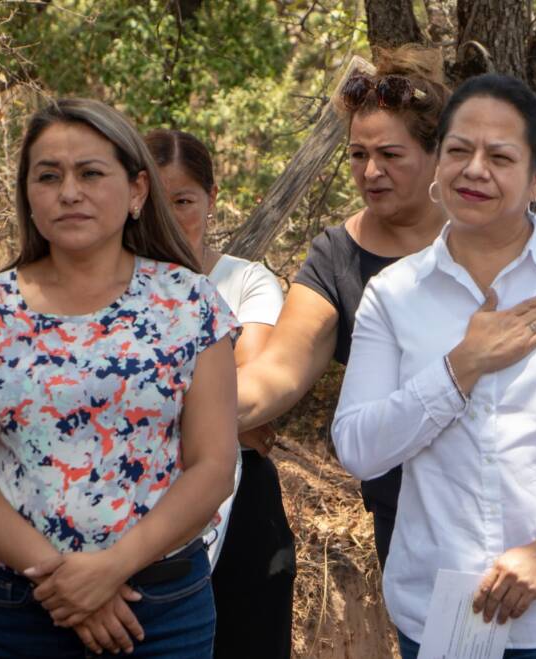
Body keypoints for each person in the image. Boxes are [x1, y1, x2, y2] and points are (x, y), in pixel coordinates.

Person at [332, 73, 536, 658]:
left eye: (500, 156)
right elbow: (359, 447)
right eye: (459, 150)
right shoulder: (394, 294)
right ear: (438, 163)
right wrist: (462, 365)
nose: (474, 169)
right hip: (444, 611)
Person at [0, 98, 239, 658]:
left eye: (90, 173)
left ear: (135, 192)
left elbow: (214, 466)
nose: (69, 191)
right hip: (23, 610)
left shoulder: (189, 301)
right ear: (28, 195)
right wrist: (65, 581)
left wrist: (111, 570)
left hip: (162, 609)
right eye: (48, 176)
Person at [235, 47, 449, 569]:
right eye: (358, 155)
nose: (371, 171)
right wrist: (169, 406)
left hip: (516, 508)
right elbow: (276, 374)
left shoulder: (490, 239)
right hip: (403, 516)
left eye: (391, 155)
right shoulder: (337, 256)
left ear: (440, 154)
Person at [144, 128, 292, 659]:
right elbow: (233, 408)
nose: (168, 216)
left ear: (211, 197)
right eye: (156, 201)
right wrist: (221, 407)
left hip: (243, 500)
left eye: (182, 200)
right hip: (137, 501)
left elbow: (252, 388)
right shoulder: (108, 287)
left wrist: (142, 404)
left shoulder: (248, 282)